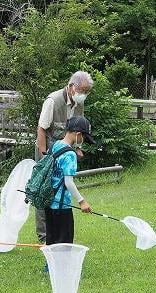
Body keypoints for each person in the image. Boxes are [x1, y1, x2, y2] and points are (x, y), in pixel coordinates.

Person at [35, 71, 94, 244]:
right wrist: (45, 157)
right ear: (71, 87)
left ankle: (53, 239)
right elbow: (41, 129)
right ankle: (44, 236)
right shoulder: (53, 101)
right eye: (82, 90)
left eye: (87, 92)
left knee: (59, 190)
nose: (84, 95)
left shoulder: (79, 103)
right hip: (47, 151)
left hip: (65, 148)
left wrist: (78, 148)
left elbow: (78, 130)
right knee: (44, 190)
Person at [44, 116, 95, 255]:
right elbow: (68, 182)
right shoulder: (70, 154)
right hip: (62, 205)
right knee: (64, 241)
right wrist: (82, 202)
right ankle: (62, 268)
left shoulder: (55, 145)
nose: (83, 141)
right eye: (83, 137)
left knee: (52, 239)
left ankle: (49, 267)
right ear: (78, 135)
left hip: (48, 202)